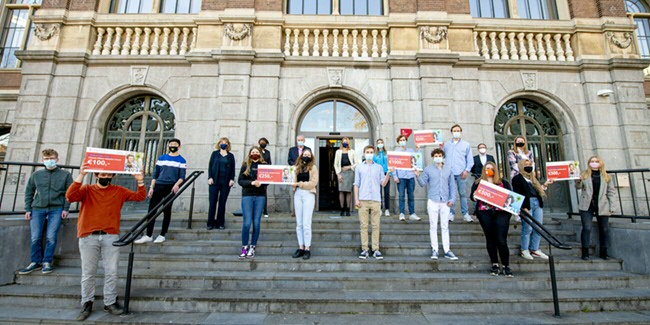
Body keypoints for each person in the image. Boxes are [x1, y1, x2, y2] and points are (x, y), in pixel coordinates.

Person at [66, 163, 146, 321]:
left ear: (112, 176)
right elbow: (70, 196)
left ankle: (110, 302)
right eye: (102, 175)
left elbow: (140, 197)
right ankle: (86, 303)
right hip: (88, 235)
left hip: (110, 235)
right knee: (88, 273)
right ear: (96, 175)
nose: (106, 177)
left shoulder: (119, 191)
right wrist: (81, 175)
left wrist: (140, 181)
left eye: (109, 175)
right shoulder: (87, 189)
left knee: (112, 271)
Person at [18, 149, 73, 275]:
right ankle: (35, 261)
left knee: (51, 236)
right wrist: (28, 209)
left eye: (52, 158)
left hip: (57, 208)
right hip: (38, 208)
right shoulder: (36, 175)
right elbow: (29, 192)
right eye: (47, 159)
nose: (49, 161)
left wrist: (66, 208)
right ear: (42, 160)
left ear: (57, 159)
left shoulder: (65, 175)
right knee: (35, 237)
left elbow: (69, 193)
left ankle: (47, 261)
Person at [135, 139, 186, 244]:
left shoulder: (181, 160)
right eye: (171, 144)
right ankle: (148, 235)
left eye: (175, 145)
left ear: (179, 147)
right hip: (158, 185)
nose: (172, 146)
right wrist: (151, 187)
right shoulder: (162, 158)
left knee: (166, 211)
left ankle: (162, 234)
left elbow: (182, 177)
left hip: (170, 187)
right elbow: (155, 174)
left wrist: (176, 185)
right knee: (151, 210)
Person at [470, 161, 514, 277]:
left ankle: (506, 265)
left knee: (501, 239)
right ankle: (494, 264)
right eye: (487, 168)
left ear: (495, 170)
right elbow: (472, 197)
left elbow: (511, 198)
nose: (489, 170)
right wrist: (474, 196)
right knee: (490, 238)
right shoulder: (478, 183)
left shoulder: (503, 182)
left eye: (491, 168)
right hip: (485, 212)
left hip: (502, 213)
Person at [414, 148, 458, 261]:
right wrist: (417, 176)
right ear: (433, 157)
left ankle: (447, 250)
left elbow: (452, 186)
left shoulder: (448, 170)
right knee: (433, 226)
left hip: (445, 201)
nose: (438, 157)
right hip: (433, 200)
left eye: (440, 155)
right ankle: (435, 249)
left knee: (445, 226)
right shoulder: (428, 169)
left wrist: (452, 199)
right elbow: (423, 183)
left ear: (443, 157)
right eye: (436, 156)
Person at [354, 145, 392, 260]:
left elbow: (383, 183)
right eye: (367, 152)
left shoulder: (379, 167)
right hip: (363, 199)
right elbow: (356, 184)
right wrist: (356, 199)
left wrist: (388, 174)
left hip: (375, 199)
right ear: (364, 153)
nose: (369, 153)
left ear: (374, 153)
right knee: (364, 225)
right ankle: (364, 248)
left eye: (371, 152)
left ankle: (376, 249)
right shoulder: (359, 167)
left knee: (376, 225)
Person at [577, 156, 618, 260]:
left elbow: (611, 192)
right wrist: (578, 180)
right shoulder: (584, 174)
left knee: (604, 229)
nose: (594, 163)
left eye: (596, 161)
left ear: (600, 163)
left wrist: (612, 206)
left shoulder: (606, 176)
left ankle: (604, 252)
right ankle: (585, 252)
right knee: (587, 228)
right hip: (587, 205)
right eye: (592, 161)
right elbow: (578, 187)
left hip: (602, 204)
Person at [512, 159, 553, 260]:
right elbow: (517, 194)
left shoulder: (533, 178)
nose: (528, 166)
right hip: (527, 204)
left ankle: (535, 249)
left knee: (538, 226)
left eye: (530, 164)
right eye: (526, 164)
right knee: (528, 228)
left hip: (537, 203)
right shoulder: (517, 178)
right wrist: (522, 207)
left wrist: (545, 185)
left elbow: (536, 190)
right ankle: (524, 249)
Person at [237, 147, 268, 259]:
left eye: (257, 152)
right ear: (250, 154)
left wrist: (262, 183)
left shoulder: (265, 166)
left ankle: (253, 246)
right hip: (248, 196)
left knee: (256, 223)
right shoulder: (245, 165)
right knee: (247, 223)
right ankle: (244, 246)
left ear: (260, 154)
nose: (255, 154)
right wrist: (252, 182)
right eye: (253, 152)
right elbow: (240, 181)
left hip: (260, 196)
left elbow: (269, 180)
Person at [442, 124, 474, 223]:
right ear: (451, 132)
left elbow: (470, 160)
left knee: (463, 193)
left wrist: (466, 170)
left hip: (461, 173)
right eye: (454, 131)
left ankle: (465, 214)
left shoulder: (466, 145)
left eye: (458, 130)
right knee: (451, 194)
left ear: (460, 132)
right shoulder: (447, 145)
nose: (456, 132)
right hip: (450, 173)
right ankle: (451, 213)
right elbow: (441, 157)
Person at [292, 148, 319, 260]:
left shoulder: (313, 168)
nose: (306, 156)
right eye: (305, 154)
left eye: (308, 154)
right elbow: (292, 181)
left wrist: (299, 184)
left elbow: (313, 183)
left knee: (306, 223)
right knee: (299, 223)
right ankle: (301, 247)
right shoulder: (296, 168)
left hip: (308, 194)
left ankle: (307, 248)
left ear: (311, 156)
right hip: (298, 194)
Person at [207, 137, 236, 230]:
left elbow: (233, 168)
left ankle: (220, 223)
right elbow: (210, 166)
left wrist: (232, 179)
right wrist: (210, 177)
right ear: (219, 144)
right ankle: (210, 223)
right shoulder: (214, 154)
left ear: (228, 145)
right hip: (214, 181)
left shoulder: (231, 156)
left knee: (222, 203)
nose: (223, 144)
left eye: (225, 143)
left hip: (226, 182)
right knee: (212, 202)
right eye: (222, 142)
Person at [394, 135, 421, 221]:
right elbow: (393, 165)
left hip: (410, 176)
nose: (403, 141)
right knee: (401, 195)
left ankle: (412, 213)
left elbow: (416, 159)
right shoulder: (396, 152)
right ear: (398, 142)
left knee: (411, 195)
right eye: (401, 140)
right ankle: (401, 213)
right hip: (401, 177)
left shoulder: (411, 151)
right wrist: (395, 176)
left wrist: (418, 149)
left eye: (404, 140)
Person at [334, 137, 358, 216]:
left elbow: (356, 163)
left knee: (348, 191)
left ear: (348, 143)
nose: (345, 143)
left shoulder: (352, 152)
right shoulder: (338, 152)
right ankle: (342, 209)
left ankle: (347, 209)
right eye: (343, 142)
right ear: (341, 143)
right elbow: (336, 164)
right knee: (341, 191)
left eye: (346, 142)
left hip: (350, 172)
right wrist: (338, 174)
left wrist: (349, 167)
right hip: (341, 172)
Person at [373, 138, 391, 217]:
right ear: (377, 144)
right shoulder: (375, 155)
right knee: (378, 192)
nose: (380, 144)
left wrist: (389, 174)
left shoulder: (387, 153)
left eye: (381, 142)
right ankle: (380, 208)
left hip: (386, 173)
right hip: (378, 174)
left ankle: (387, 209)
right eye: (378, 143)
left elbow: (390, 164)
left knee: (386, 192)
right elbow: (374, 165)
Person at [259, 137, 272, 218]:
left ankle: (265, 210)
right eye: (261, 142)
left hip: (265, 174)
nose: (263, 143)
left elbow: (269, 162)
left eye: (264, 142)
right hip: (257, 174)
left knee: (264, 193)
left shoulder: (268, 152)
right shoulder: (257, 151)